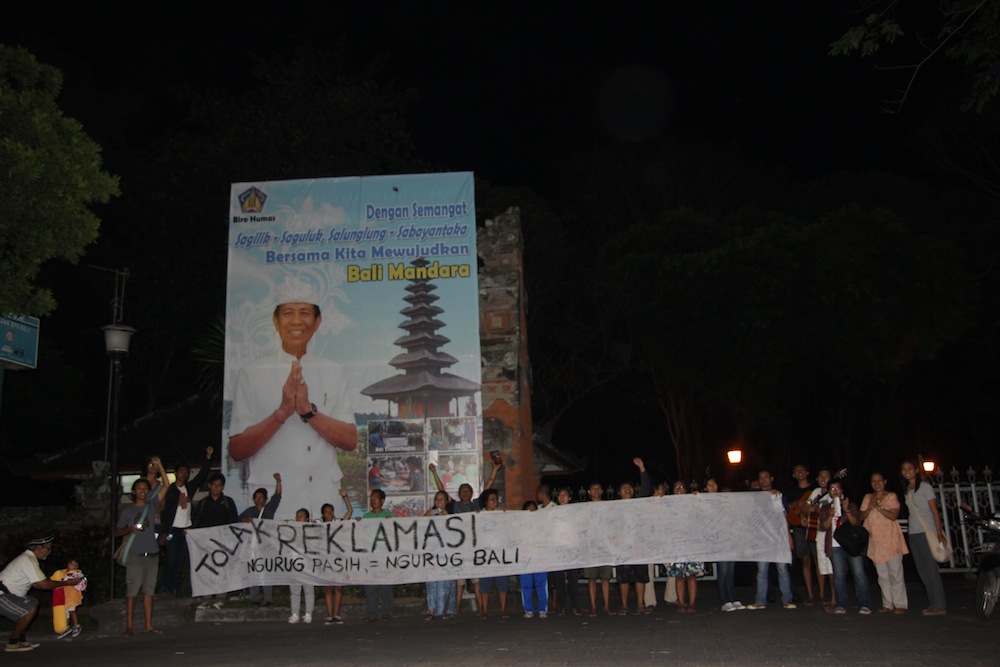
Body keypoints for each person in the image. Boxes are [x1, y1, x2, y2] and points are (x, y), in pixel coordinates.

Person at [229, 277, 358, 520]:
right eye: (288, 313)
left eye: (305, 313)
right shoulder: (253, 372)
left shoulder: (333, 369)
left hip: (324, 498)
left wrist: (308, 412)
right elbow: (237, 449)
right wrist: (282, 412)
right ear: (276, 321)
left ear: (317, 321)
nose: (297, 321)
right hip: (273, 499)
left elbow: (350, 440)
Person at [429, 456, 502, 613]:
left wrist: (495, 470)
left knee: (476, 579)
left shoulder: (476, 504)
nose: (465, 493)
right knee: (460, 580)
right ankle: (457, 609)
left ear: (471, 493)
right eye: (462, 491)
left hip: (474, 546)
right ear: (459, 494)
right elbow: (442, 490)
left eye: (467, 491)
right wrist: (435, 472)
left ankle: (482, 609)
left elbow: (488, 486)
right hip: (458, 547)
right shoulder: (454, 505)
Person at [116, 457, 171, 636]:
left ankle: (148, 624)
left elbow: (166, 486)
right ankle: (129, 626)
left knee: (149, 592)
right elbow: (116, 532)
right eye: (139, 488)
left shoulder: (152, 505)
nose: (142, 491)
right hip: (135, 555)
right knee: (132, 591)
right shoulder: (127, 511)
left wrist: (161, 467)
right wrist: (129, 529)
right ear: (133, 491)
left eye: (145, 489)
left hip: (152, 554)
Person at [0, 534, 81, 652]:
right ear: (39, 548)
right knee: (30, 607)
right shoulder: (27, 559)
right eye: (48, 548)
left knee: (30, 603)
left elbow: (36, 583)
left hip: (7, 595)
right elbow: (42, 585)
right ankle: (13, 643)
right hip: (2, 595)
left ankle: (21, 640)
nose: (49, 552)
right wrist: (68, 583)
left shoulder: (28, 559)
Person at [159, 446, 214, 596]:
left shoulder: (189, 488)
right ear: (176, 473)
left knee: (180, 559)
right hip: (172, 529)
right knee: (170, 558)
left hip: (186, 530)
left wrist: (208, 458)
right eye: (181, 471)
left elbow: (202, 475)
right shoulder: (170, 490)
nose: (184, 474)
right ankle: (166, 586)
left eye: (186, 472)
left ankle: (175, 587)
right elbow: (164, 512)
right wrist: (164, 531)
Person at [901, 460, 947, 616]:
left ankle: (939, 604)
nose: (906, 471)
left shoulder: (925, 487)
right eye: (904, 470)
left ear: (916, 470)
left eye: (909, 468)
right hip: (913, 533)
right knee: (922, 570)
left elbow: (934, 511)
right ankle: (932, 602)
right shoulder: (908, 490)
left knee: (931, 568)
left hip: (927, 532)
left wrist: (939, 531)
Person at [746, 470, 797, 610]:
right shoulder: (755, 497)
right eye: (760, 478)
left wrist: (789, 537)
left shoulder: (779, 496)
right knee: (762, 571)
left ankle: (787, 599)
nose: (763, 480)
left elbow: (784, 517)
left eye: (766, 477)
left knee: (782, 569)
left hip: (778, 537)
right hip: (762, 538)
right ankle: (760, 600)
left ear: (771, 479)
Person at [859, 471, 908, 614]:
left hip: (891, 539)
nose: (877, 483)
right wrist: (870, 507)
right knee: (882, 575)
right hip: (876, 541)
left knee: (895, 573)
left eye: (879, 480)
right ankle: (887, 603)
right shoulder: (868, 497)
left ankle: (900, 604)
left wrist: (879, 506)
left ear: (885, 481)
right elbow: (862, 516)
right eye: (874, 481)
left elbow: (893, 515)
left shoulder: (891, 496)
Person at [822, 480, 872, 614]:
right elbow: (824, 527)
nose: (835, 491)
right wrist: (830, 515)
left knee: (859, 573)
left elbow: (856, 523)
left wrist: (847, 510)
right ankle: (841, 604)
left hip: (852, 544)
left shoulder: (851, 505)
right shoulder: (827, 507)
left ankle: (864, 603)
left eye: (837, 488)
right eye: (832, 489)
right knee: (838, 575)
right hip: (835, 545)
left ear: (842, 490)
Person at [192, 472, 239, 610]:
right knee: (206, 570)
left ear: (222, 487)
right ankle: (206, 598)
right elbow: (196, 522)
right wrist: (190, 533)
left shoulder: (228, 503)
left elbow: (234, 523)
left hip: (222, 544)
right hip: (205, 544)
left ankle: (220, 598)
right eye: (214, 485)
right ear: (209, 486)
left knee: (221, 570)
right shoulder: (202, 504)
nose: (216, 488)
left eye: (219, 485)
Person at [238, 472, 282, 606]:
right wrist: (245, 520)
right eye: (256, 497)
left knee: (267, 572)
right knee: (253, 571)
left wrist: (278, 481)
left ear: (265, 499)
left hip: (267, 546)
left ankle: (268, 599)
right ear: (254, 499)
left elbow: (277, 496)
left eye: (261, 497)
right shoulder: (249, 512)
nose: (259, 499)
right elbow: (237, 522)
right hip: (253, 546)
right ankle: (254, 598)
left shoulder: (269, 510)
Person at [617, 458, 651, 615]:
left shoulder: (639, 503)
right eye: (624, 488)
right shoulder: (613, 508)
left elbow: (646, 489)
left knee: (640, 576)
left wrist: (642, 468)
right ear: (619, 493)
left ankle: (640, 604)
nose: (628, 490)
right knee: (623, 578)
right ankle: (624, 606)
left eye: (630, 488)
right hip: (623, 547)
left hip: (639, 546)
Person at [665, 480, 705, 613]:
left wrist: (698, 498)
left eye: (682, 487)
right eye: (677, 488)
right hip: (677, 545)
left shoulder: (692, 503)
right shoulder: (669, 505)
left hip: (692, 544)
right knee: (679, 576)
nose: (680, 490)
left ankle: (692, 603)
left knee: (691, 576)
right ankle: (681, 603)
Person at [705, 478, 744, 611]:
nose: (713, 486)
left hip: (729, 539)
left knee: (730, 571)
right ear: (705, 488)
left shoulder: (724, 500)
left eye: (714, 483)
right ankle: (724, 600)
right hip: (717, 541)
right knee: (723, 570)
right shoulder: (704, 502)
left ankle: (732, 598)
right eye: (709, 485)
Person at [785, 463, 818, 604]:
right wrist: (800, 503)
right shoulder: (791, 491)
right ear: (793, 475)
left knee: (818, 560)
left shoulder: (815, 489)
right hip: (798, 528)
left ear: (807, 472)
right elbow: (786, 508)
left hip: (814, 526)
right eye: (796, 471)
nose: (799, 472)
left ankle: (822, 593)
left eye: (802, 470)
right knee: (805, 560)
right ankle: (810, 594)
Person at [422, 491, 457, 620]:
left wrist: (446, 516)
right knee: (431, 581)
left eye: (442, 500)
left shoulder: (450, 514)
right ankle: (431, 609)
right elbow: (420, 528)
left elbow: (456, 530)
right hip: (432, 553)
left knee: (446, 582)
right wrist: (426, 516)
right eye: (437, 500)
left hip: (446, 554)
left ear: (446, 501)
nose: (439, 502)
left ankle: (446, 609)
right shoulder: (430, 514)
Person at [476, 489, 511, 619]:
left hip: (499, 553)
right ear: (485, 502)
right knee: (485, 582)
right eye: (492, 499)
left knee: (502, 582)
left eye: (496, 499)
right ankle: (484, 609)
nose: (495, 502)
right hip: (485, 554)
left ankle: (503, 609)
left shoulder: (501, 514)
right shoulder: (480, 515)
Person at [362, 489, 395, 622]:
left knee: (387, 586)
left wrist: (391, 523)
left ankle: (387, 612)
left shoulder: (389, 516)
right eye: (371, 498)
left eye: (375, 498)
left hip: (385, 556)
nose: (373, 500)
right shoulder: (365, 518)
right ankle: (372, 613)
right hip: (371, 556)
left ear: (382, 501)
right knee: (370, 585)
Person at [582, 482, 614, 617]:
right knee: (592, 578)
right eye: (593, 489)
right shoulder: (584, 508)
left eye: (598, 489)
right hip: (591, 547)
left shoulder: (608, 507)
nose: (595, 491)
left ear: (602, 491)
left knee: (605, 578)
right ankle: (593, 607)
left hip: (605, 546)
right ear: (588, 492)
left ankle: (607, 606)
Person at [321, 489, 353, 625]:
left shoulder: (338, 524)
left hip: (338, 559)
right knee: (329, 588)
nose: (329, 514)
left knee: (338, 587)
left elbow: (350, 512)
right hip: (326, 559)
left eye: (331, 511)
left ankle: (336, 614)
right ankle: (330, 615)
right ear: (323, 514)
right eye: (327, 512)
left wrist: (345, 497)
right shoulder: (319, 526)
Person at [550, 487, 582, 616]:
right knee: (559, 580)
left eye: (565, 495)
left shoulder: (575, 512)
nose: (562, 497)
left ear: (569, 498)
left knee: (573, 580)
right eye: (560, 495)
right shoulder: (553, 512)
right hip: (558, 551)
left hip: (572, 550)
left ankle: (575, 606)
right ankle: (562, 606)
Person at [518, 500, 548, 619]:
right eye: (528, 509)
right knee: (526, 584)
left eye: (533, 509)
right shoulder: (519, 525)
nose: (531, 511)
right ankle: (528, 609)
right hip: (525, 559)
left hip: (539, 558)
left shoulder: (542, 525)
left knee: (541, 584)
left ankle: (542, 609)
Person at [288, 508, 316, 623]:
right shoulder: (291, 530)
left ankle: (308, 613)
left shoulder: (311, 530)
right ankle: (295, 613)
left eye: (301, 515)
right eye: (297, 515)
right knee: (295, 590)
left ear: (307, 518)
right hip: (295, 564)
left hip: (307, 564)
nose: (298, 518)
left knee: (308, 589)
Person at [51, 557, 86, 638]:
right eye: (71, 564)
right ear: (68, 564)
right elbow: (54, 579)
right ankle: (65, 628)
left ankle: (76, 625)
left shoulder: (77, 573)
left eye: (76, 565)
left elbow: (74, 579)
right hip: (64, 597)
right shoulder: (62, 572)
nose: (74, 566)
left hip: (73, 597)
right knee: (65, 614)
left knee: (72, 611)